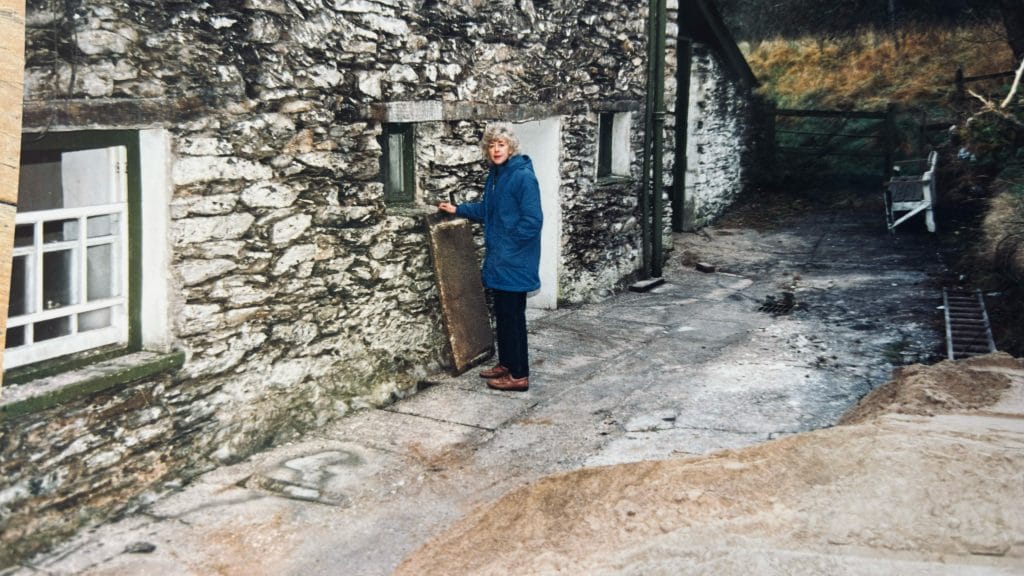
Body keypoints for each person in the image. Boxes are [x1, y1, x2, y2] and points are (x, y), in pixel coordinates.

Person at [437, 123, 543, 392]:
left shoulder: (522, 177)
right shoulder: (496, 175)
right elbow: (488, 209)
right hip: (501, 259)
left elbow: (532, 221)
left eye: (501, 144)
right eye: (492, 145)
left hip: (514, 259)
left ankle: (519, 375)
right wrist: (457, 208)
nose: (496, 150)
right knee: (504, 314)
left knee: (513, 317)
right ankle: (507, 364)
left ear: (511, 147)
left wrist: (508, 246)